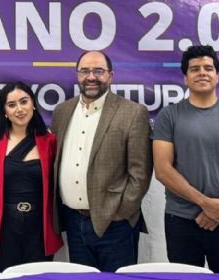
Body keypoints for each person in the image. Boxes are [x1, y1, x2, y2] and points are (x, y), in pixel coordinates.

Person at [152, 45, 219, 273]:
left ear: (217, 75)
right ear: (185, 78)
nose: (202, 73)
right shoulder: (169, 116)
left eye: (208, 68)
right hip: (181, 220)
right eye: (194, 69)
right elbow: (162, 169)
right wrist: (206, 204)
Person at [51, 50, 152, 272]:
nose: (91, 77)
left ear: (111, 75)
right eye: (85, 71)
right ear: (77, 75)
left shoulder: (133, 112)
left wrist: (122, 213)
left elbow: (141, 173)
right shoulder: (62, 111)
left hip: (115, 225)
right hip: (73, 222)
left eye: (99, 71)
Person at [0, 82, 64, 272]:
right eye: (11, 105)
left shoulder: (51, 141)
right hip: (5, 227)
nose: (19, 109)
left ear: (33, 104)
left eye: (24, 101)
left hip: (40, 228)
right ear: (4, 111)